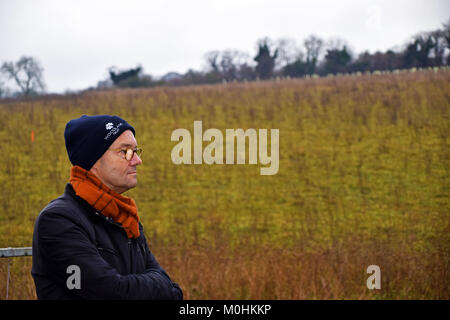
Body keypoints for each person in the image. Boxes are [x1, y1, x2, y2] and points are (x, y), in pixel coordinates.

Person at [31, 114, 183, 300]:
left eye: (136, 151)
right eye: (125, 151)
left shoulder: (124, 217)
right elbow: (109, 293)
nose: (137, 160)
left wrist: (163, 287)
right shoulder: (58, 221)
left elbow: (172, 291)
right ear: (93, 159)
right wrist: (162, 287)